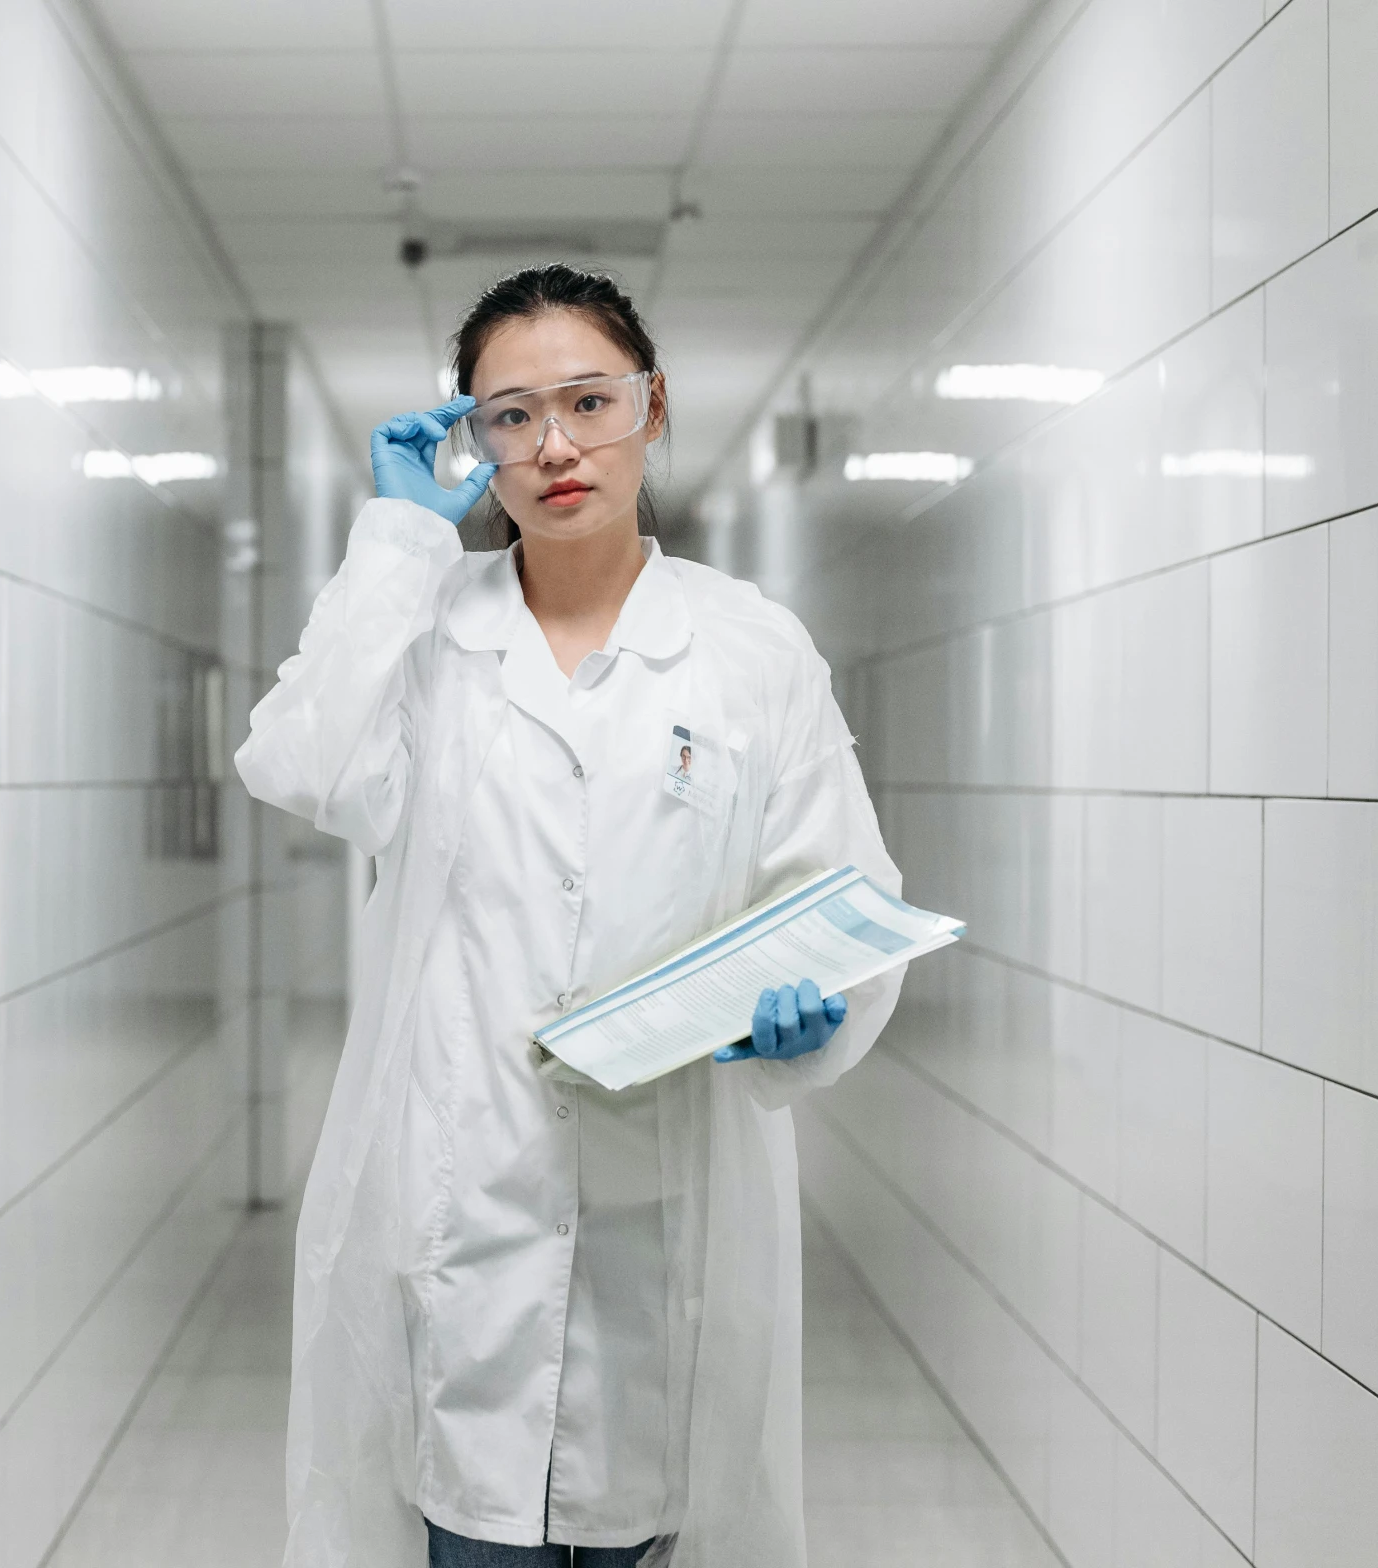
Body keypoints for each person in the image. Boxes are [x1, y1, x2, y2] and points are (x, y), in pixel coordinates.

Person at [235, 265, 903, 1568]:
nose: (553, 447)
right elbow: (300, 763)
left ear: (653, 411)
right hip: (466, 1209)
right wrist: (395, 542)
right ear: (468, 441)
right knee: (467, 1527)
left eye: (589, 402)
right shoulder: (429, 632)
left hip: (667, 1221)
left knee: (647, 1519)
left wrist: (804, 1019)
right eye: (510, 416)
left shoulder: (748, 646)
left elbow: (846, 892)